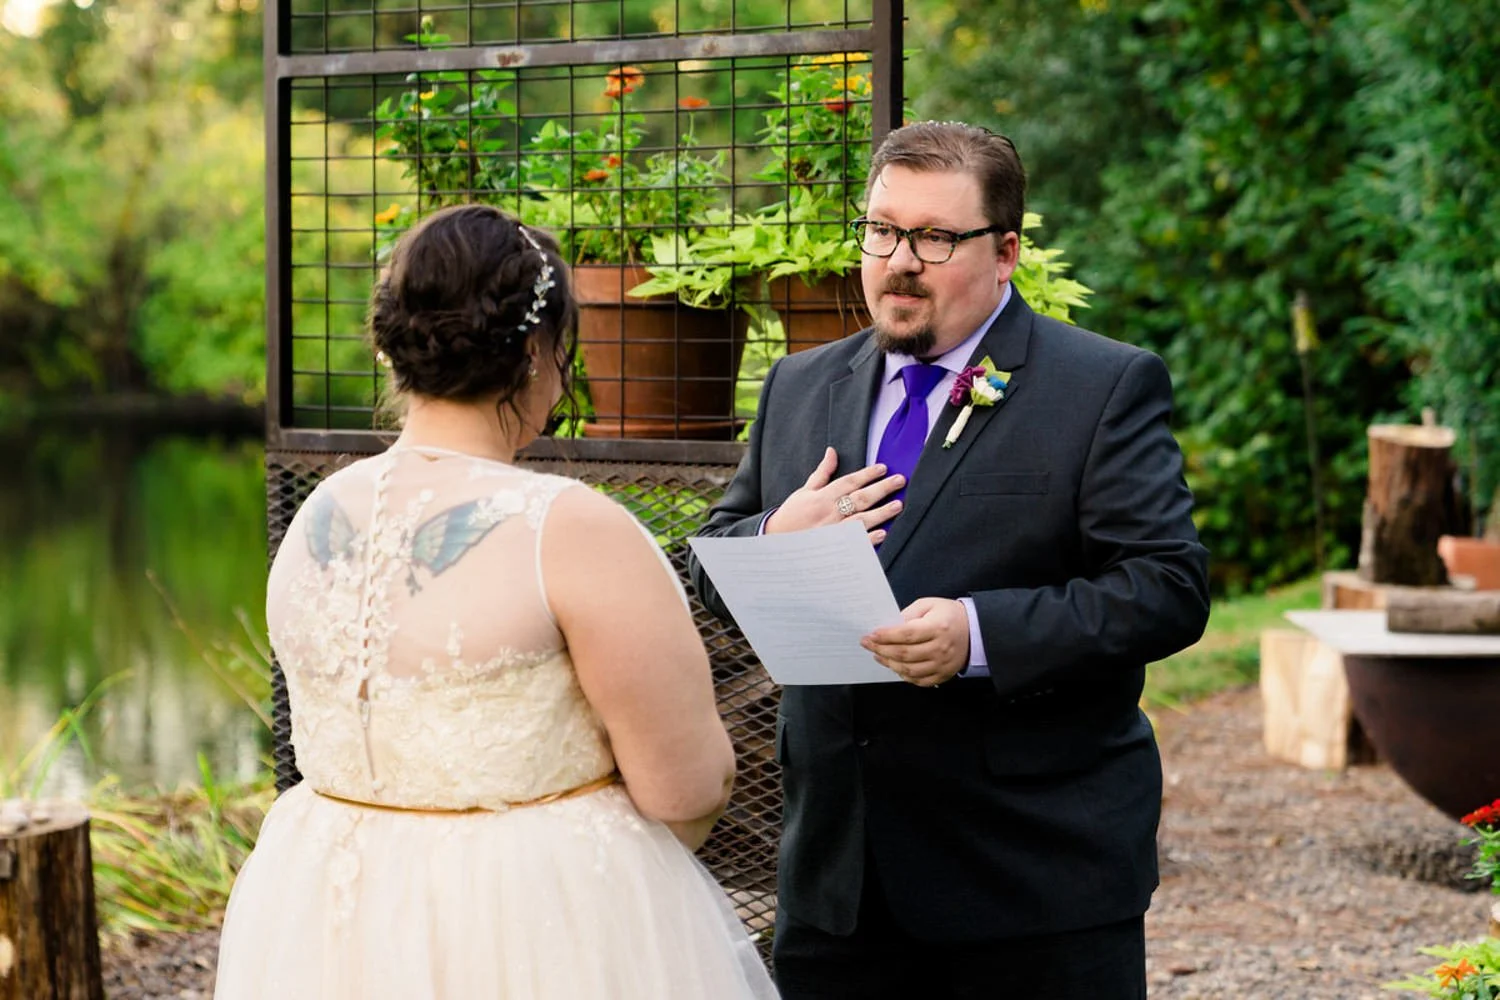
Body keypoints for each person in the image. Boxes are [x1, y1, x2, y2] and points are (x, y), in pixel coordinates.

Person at [688, 122, 1211, 999]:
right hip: (837, 884)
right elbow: (710, 565)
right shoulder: (799, 385)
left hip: (1029, 880)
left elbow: (1166, 587)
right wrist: (778, 533)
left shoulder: (1102, 387)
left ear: (1005, 252)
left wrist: (978, 634)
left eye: (935, 238)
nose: (899, 260)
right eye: (882, 231)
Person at [215, 204, 777, 999]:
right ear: (535, 354)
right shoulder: (570, 529)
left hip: (324, 919)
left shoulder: (315, 514)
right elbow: (687, 789)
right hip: (532, 928)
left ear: (394, 347)